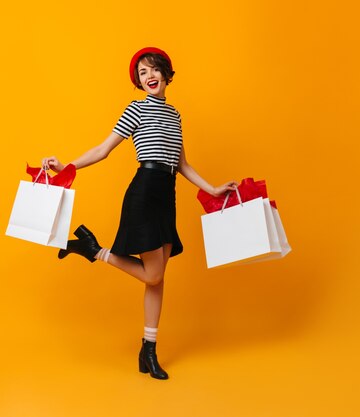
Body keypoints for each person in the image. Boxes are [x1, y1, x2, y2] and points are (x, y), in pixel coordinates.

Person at [42, 47, 237, 380]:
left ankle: (148, 350)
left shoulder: (175, 115)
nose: (149, 76)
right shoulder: (135, 109)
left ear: (166, 74)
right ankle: (94, 250)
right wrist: (67, 165)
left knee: (158, 278)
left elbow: (182, 164)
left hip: (167, 195)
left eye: (154, 70)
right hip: (144, 191)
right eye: (143, 72)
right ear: (139, 81)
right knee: (153, 275)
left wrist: (213, 189)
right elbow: (103, 149)